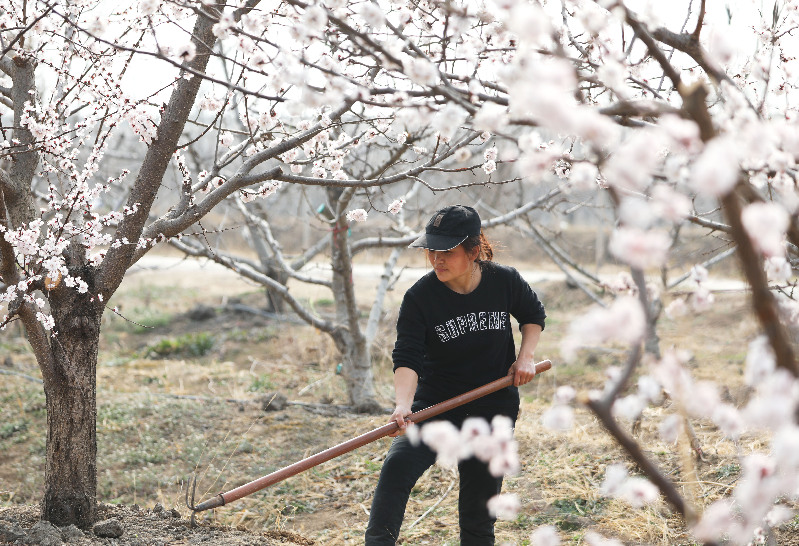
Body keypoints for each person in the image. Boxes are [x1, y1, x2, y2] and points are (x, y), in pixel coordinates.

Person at [365, 204, 546, 545]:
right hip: (437, 405)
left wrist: (525, 358)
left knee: (479, 511)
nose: (437, 260)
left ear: (473, 250)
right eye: (431, 251)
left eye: (447, 251)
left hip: (493, 406)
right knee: (396, 469)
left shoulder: (504, 281)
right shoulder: (420, 297)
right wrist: (403, 404)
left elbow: (533, 315)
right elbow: (407, 355)